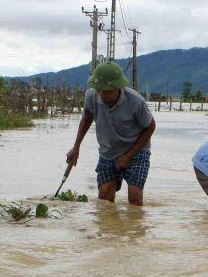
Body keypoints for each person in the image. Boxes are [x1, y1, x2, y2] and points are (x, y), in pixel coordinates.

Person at [66, 62, 156, 206]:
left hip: (137, 151)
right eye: (99, 89)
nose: (101, 94)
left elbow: (151, 127)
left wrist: (128, 156)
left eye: (106, 90)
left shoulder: (135, 101)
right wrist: (76, 147)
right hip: (108, 151)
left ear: (117, 88)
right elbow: (87, 118)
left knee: (134, 198)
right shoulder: (91, 96)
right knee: (104, 198)